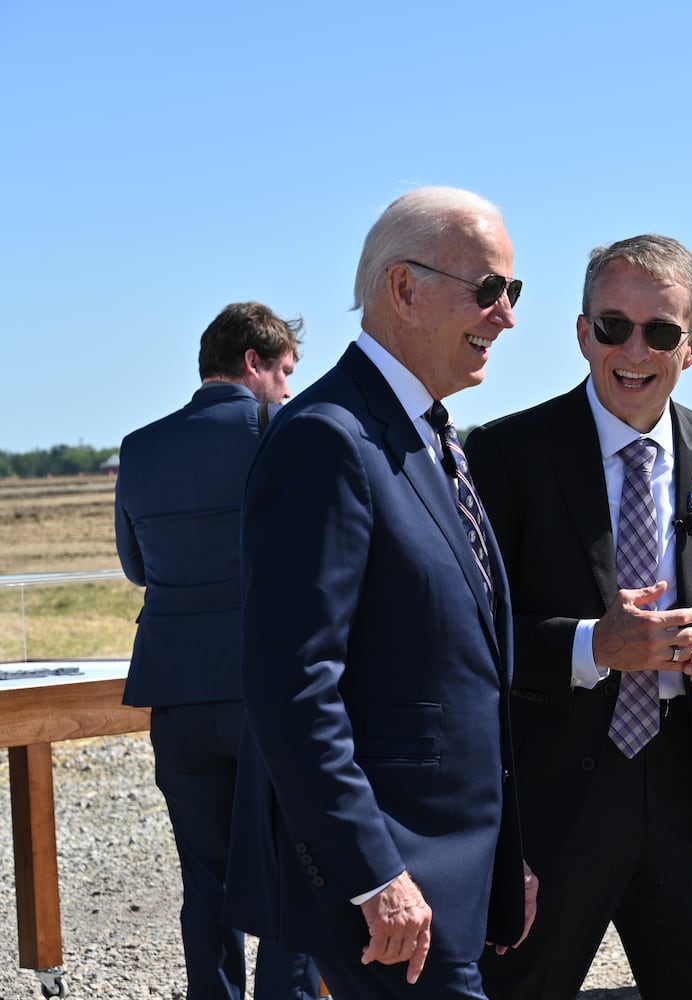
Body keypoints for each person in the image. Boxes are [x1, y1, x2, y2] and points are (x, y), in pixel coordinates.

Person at [223, 186, 536, 1000]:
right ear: (404, 288)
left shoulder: (427, 435)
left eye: (513, 292)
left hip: (449, 882)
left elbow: (458, 667)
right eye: (488, 290)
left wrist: (505, 859)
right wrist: (373, 877)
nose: (505, 316)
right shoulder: (330, 440)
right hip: (393, 896)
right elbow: (293, 687)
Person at [466, 234, 692, 999]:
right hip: (553, 801)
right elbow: (470, 635)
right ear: (581, 332)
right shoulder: (503, 456)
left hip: (687, 782)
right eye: (612, 327)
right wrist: (592, 646)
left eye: (660, 333)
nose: (633, 350)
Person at [114, 301, 320, 1000]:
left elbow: (137, 567)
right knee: (299, 871)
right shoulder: (285, 433)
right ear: (255, 364)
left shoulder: (140, 447)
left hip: (176, 693)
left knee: (205, 880)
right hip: (271, 693)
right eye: (285, 371)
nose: (290, 388)